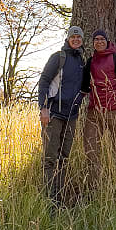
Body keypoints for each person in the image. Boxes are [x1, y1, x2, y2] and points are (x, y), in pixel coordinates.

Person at [37, 25, 88, 208]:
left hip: (71, 116)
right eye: (73, 37)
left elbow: (83, 87)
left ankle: (60, 196)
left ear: (82, 41)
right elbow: (43, 81)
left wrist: (79, 100)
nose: (76, 39)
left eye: (79, 37)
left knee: (64, 158)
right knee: (50, 158)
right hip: (54, 114)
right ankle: (50, 201)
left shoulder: (82, 61)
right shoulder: (58, 57)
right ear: (68, 39)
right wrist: (43, 108)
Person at [82, 29, 116, 187]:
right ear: (93, 43)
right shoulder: (90, 61)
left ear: (107, 41)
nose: (98, 41)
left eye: (101, 39)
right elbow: (84, 86)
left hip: (115, 111)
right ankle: (94, 187)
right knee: (91, 150)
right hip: (94, 112)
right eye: (96, 39)